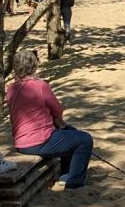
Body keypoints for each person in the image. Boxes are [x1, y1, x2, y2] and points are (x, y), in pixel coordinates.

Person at [6, 49, 94, 189]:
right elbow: (58, 110)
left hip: (21, 143)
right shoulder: (40, 85)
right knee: (85, 139)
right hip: (40, 141)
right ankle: (74, 180)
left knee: (69, 132)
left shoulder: (11, 89)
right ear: (34, 66)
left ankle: (65, 174)